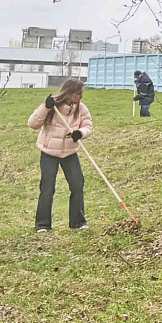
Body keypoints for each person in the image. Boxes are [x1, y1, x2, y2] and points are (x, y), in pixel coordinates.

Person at [27, 79, 93, 232]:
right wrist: (45, 107)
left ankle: (78, 222)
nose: (81, 97)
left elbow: (88, 126)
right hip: (49, 152)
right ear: (69, 92)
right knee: (47, 187)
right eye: (79, 93)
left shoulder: (81, 108)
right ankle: (42, 225)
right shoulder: (52, 105)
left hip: (70, 153)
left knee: (77, 184)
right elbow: (32, 124)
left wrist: (80, 133)